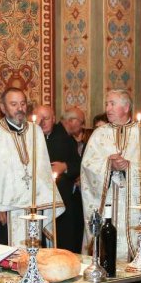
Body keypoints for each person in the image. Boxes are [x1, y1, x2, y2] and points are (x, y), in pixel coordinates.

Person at [0, 88, 62, 245]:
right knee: (5, 262)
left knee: (33, 257)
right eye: (13, 104)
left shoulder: (36, 131)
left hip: (33, 209)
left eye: (23, 103)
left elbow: (43, 170)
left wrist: (46, 201)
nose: (20, 108)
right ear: (3, 108)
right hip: (3, 212)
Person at [80, 90, 141, 261]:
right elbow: (87, 166)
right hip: (107, 200)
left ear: (125, 107)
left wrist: (129, 167)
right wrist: (108, 165)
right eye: (107, 104)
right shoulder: (98, 134)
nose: (107, 108)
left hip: (130, 203)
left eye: (112, 103)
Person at [38, 104, 83, 253]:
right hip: (37, 200)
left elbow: (78, 164)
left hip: (61, 201)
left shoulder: (65, 138)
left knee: (63, 243)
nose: (43, 122)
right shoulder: (29, 139)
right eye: (40, 118)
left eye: (47, 118)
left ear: (54, 119)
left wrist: (64, 166)